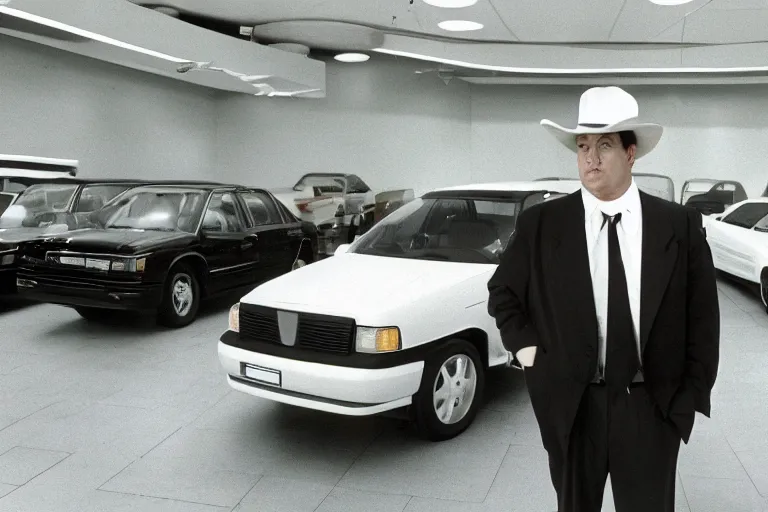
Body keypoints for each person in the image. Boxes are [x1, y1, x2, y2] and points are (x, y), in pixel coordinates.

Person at [487, 86, 720, 512]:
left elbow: (703, 320)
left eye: (605, 145)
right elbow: (503, 291)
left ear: (632, 154)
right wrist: (528, 351)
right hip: (573, 407)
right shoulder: (543, 223)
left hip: (651, 407)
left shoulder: (679, 225)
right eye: (582, 146)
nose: (590, 158)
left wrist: (686, 401)